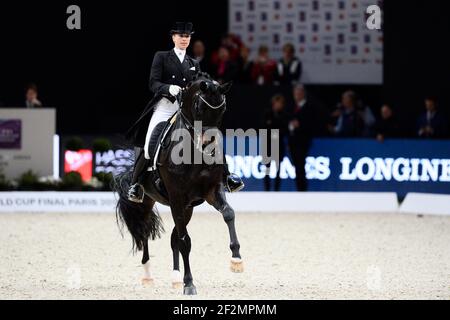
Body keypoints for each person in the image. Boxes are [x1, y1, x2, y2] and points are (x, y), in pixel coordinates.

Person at [125, 22, 244, 203]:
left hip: (186, 110)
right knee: (151, 141)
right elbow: (153, 83)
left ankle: (228, 177)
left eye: (187, 36)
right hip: (165, 107)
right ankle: (136, 185)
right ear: (174, 37)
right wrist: (168, 88)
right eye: (181, 36)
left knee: (211, 137)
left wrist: (213, 87)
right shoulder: (162, 57)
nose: (184, 39)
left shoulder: (193, 63)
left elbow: (200, 85)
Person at [288, 85, 316, 191]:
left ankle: (302, 189)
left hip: (302, 141)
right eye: (295, 94)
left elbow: (311, 124)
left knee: (300, 166)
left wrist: (300, 125)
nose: (297, 96)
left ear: (303, 94)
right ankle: (299, 188)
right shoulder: (292, 107)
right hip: (292, 142)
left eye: (299, 93)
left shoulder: (309, 107)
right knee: (296, 166)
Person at [262, 94, 289, 191]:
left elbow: (284, 129)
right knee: (267, 168)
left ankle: (277, 190)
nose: (280, 105)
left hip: (279, 145)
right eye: (278, 103)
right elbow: (264, 128)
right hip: (268, 144)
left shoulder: (284, 115)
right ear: (274, 103)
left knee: (278, 168)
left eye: (281, 103)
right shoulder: (267, 113)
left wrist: (274, 128)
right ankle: (267, 189)